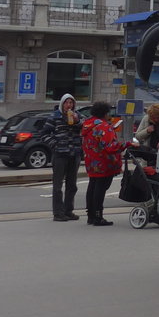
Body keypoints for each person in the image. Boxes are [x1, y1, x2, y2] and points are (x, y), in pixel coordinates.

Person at [81, 101, 124, 226]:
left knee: (92, 186)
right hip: (104, 162)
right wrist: (127, 144)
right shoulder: (104, 127)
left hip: (91, 161)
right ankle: (98, 217)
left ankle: (91, 215)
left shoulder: (88, 124)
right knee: (100, 189)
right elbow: (110, 147)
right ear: (105, 113)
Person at [42, 93, 82, 222]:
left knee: (72, 185)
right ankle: (58, 213)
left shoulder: (78, 116)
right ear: (62, 104)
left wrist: (78, 121)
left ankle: (68, 210)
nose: (69, 105)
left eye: (71, 103)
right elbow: (44, 134)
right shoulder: (54, 117)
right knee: (58, 185)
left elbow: (85, 129)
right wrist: (55, 144)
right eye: (67, 103)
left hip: (74, 153)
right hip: (60, 154)